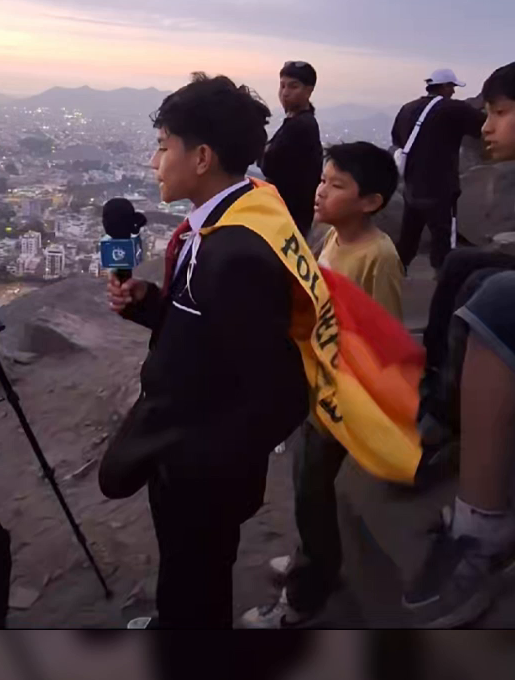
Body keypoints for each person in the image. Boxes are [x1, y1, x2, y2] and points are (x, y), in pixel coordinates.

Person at [99, 73, 309, 629]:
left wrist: (201, 461)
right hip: (192, 453)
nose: (154, 161)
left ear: (202, 157)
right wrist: (149, 304)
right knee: (188, 571)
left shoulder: (234, 251)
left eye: (164, 146)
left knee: (199, 577)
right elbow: (210, 329)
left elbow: (281, 392)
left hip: (202, 468)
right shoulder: (224, 224)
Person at [242, 141, 402, 628]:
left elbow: (386, 337)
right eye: (322, 180)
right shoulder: (332, 239)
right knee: (306, 487)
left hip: (339, 399)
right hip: (313, 387)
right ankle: (311, 559)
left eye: (336, 185)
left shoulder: (379, 256)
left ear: (370, 201)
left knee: (314, 492)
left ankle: (304, 596)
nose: (320, 191)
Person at [403, 61, 515, 627]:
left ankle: (484, 530)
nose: (486, 126)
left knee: (492, 295)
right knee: (462, 269)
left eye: (499, 113)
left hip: (425, 189)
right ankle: (441, 411)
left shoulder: (421, 112)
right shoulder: (440, 112)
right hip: (431, 191)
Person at [392, 67, 485, 272]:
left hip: (412, 187)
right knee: (443, 238)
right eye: (452, 87)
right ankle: (443, 277)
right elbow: (483, 128)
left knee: (409, 235)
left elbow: (397, 140)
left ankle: (397, 273)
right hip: (441, 187)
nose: (453, 91)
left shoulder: (407, 108)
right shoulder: (453, 108)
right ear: (444, 86)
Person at [261, 60, 322, 238]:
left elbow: (269, 165)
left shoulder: (301, 126)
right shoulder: (299, 121)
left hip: (289, 217)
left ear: (309, 91)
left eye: (293, 86)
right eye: (282, 86)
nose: (285, 93)